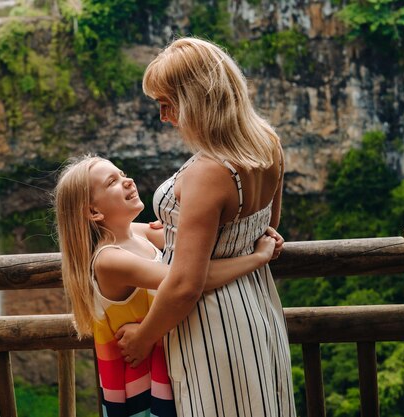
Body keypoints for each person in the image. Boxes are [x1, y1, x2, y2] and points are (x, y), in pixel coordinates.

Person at [115, 37, 296, 417]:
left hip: (212, 324)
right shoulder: (268, 143)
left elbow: (184, 285)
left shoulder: (209, 172)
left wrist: (144, 337)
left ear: (196, 100)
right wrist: (174, 231)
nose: (163, 116)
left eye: (167, 104)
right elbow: (264, 231)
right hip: (258, 306)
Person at [54, 155, 280, 417]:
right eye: (112, 181)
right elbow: (191, 279)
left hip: (169, 368)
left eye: (123, 173)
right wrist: (257, 258)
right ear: (94, 211)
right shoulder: (109, 259)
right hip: (144, 386)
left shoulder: (138, 233)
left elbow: (206, 238)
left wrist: (257, 233)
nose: (128, 181)